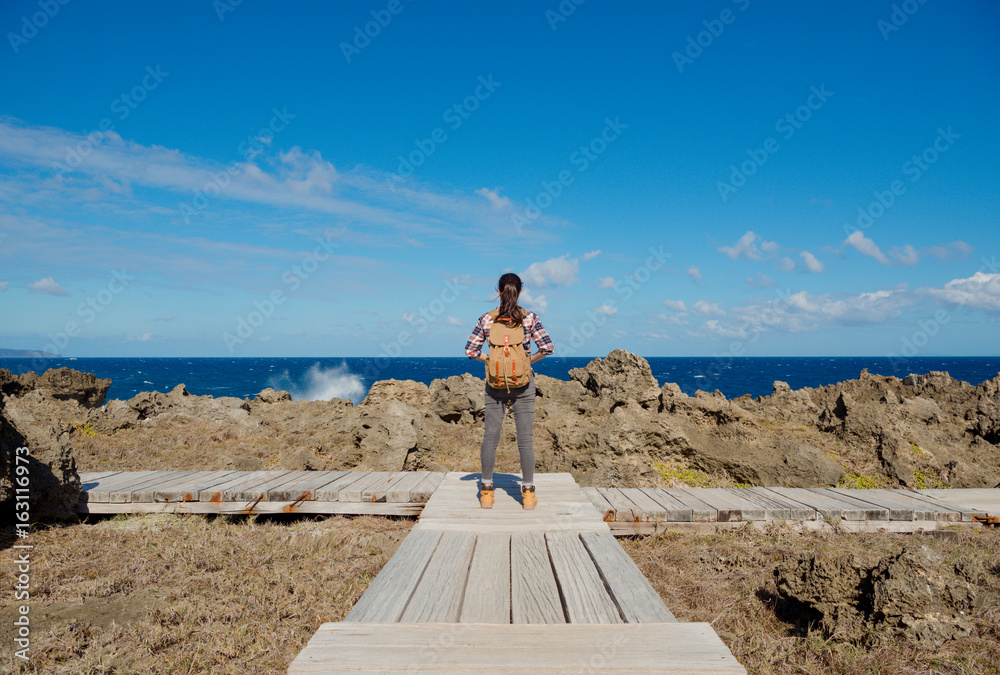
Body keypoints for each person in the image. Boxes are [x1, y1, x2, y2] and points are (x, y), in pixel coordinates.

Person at [464, 272, 554, 510]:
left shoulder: (486, 319)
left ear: (498, 292)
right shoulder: (530, 318)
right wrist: (526, 363)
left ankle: (486, 492)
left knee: (490, 438)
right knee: (525, 440)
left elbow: (471, 351)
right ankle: (528, 494)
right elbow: (547, 347)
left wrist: (490, 360)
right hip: (524, 384)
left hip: (494, 384)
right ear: (520, 292)